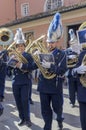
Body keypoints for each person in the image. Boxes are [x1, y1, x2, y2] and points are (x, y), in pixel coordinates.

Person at [37, 12, 67, 130]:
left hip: (55, 87)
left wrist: (50, 66)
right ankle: (47, 127)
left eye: (52, 42)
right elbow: (34, 67)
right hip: (43, 86)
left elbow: (62, 70)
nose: (50, 44)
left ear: (57, 42)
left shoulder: (62, 54)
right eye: (49, 42)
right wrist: (34, 59)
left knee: (57, 108)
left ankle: (59, 118)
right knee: (45, 110)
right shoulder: (42, 52)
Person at [6, 28, 34, 127]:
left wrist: (22, 65)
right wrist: (10, 64)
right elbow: (8, 71)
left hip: (25, 81)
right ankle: (22, 118)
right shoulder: (13, 56)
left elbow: (32, 67)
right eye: (18, 46)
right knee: (18, 102)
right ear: (16, 47)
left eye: (22, 46)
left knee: (25, 101)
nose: (20, 48)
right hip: (15, 82)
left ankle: (28, 119)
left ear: (24, 46)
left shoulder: (28, 55)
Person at [72, 27, 86, 130]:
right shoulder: (82, 54)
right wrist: (77, 70)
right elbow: (73, 71)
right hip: (83, 94)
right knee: (84, 122)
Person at [65, 29, 79, 107]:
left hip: (78, 73)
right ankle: (72, 102)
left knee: (79, 89)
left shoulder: (79, 50)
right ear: (70, 43)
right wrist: (68, 57)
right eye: (72, 42)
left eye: (75, 42)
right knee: (71, 89)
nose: (74, 43)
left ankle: (80, 100)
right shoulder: (66, 51)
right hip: (70, 73)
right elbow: (63, 60)